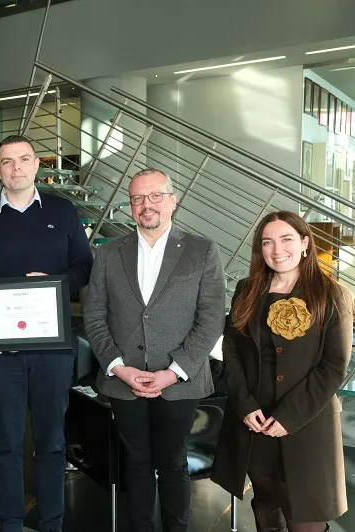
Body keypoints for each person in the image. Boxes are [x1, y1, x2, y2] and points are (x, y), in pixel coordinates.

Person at [0, 135, 93, 532]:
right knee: (6, 444)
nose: (15, 167)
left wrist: (52, 283)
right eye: (6, 161)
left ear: (36, 165)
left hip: (52, 349)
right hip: (0, 352)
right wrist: (5, 299)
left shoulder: (63, 211)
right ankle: (10, 524)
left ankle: (52, 523)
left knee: (52, 443)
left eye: (23, 159)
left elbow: (83, 266)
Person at [83, 168, 226, 532]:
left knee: (174, 462)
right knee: (136, 462)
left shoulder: (202, 250)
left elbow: (211, 320)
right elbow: (94, 317)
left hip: (179, 381)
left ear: (173, 201)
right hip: (124, 379)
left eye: (155, 196)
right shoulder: (107, 253)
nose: (146, 204)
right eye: (137, 198)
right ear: (131, 206)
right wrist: (118, 367)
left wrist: (174, 372)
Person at [212, 211, 351, 532]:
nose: (277, 250)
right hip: (255, 423)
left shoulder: (332, 294)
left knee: (305, 520)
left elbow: (333, 366)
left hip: (307, 425)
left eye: (286, 239)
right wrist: (244, 405)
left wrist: (289, 417)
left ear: (305, 243)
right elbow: (231, 350)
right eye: (267, 242)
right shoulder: (247, 289)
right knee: (265, 509)